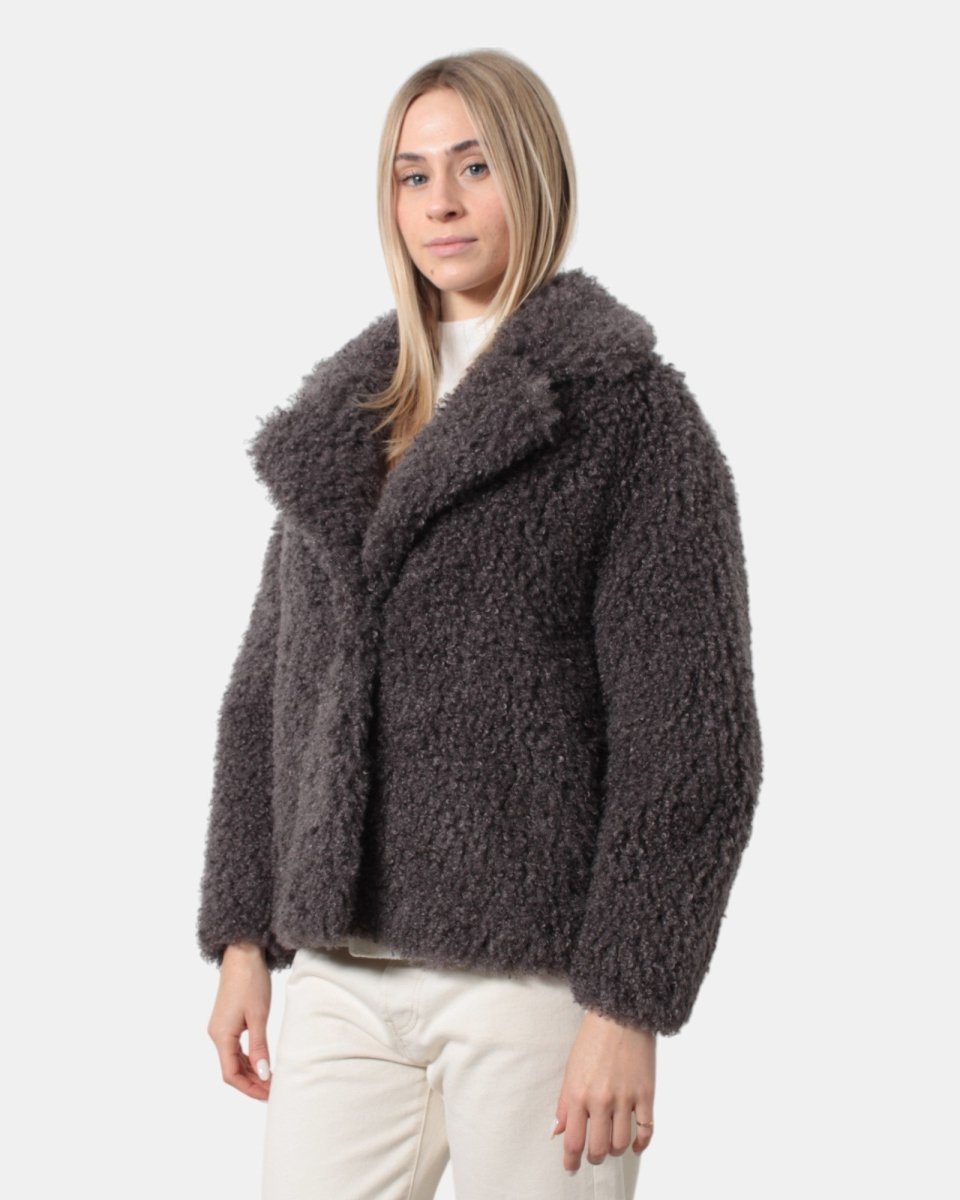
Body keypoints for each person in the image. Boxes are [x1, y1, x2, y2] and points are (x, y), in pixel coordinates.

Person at [197, 48, 763, 1200]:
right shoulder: (345, 418)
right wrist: (246, 935)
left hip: (535, 982)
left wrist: (628, 1001)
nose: (441, 203)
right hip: (343, 974)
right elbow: (269, 693)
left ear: (537, 175)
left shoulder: (631, 418)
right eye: (412, 175)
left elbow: (690, 736)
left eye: (474, 165)